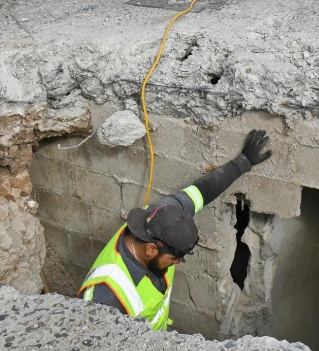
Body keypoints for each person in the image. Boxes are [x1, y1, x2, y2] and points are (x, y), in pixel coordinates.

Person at [79, 130, 273, 328]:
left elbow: (201, 192)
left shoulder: (158, 218)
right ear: (151, 249)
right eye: (174, 258)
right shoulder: (106, 296)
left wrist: (243, 161)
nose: (177, 263)